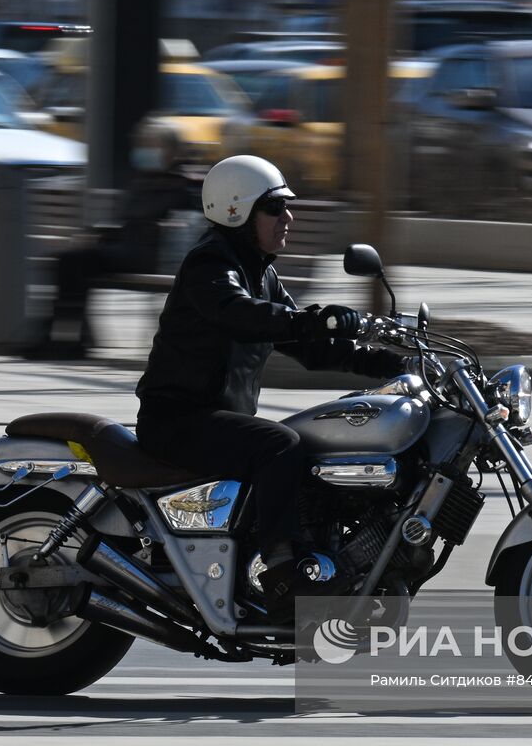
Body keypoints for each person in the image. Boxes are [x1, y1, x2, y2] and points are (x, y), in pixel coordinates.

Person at [134, 154, 407, 621]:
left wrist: (390, 363)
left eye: (286, 207)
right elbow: (238, 312)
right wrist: (313, 317)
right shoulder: (211, 264)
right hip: (176, 420)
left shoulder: (260, 271)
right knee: (280, 445)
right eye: (275, 208)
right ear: (237, 210)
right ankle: (284, 572)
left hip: (216, 420)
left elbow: (311, 347)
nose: (288, 218)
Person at [34, 119, 199, 359]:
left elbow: (186, 228)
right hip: (128, 249)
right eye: (143, 144)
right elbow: (127, 223)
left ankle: (64, 338)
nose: (145, 151)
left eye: (152, 145)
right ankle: (65, 337)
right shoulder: (144, 180)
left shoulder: (183, 185)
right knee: (69, 261)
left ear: (172, 150)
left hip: (152, 255)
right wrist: (98, 235)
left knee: (75, 262)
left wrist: (159, 229)